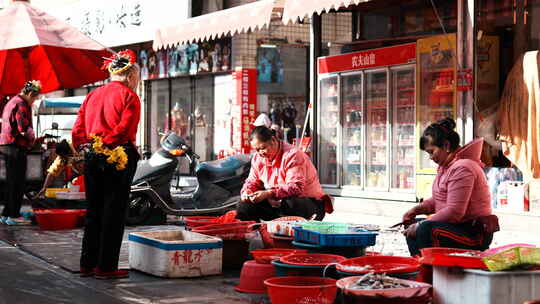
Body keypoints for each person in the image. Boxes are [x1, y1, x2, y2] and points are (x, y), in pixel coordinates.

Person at [72, 49, 141, 279]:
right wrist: (108, 145)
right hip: (118, 157)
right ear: (131, 75)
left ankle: (87, 264)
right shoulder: (130, 97)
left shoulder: (92, 95)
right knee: (114, 211)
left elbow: (78, 129)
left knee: (94, 210)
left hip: (92, 157)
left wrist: (89, 148)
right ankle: (106, 267)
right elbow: (125, 129)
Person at [402, 118, 498, 256]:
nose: (430, 157)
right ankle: (421, 268)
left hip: (473, 233)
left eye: (432, 151)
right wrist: (415, 210)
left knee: (424, 228)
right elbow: (438, 199)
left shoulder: (463, 167)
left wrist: (420, 225)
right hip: (457, 226)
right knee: (412, 225)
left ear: (446, 145)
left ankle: (432, 272)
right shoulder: (446, 167)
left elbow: (454, 212)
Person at [236, 126, 325, 222]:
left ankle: (289, 232)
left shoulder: (293, 155)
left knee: (291, 203)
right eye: (256, 150)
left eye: (262, 148)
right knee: (244, 205)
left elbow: (296, 187)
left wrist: (268, 193)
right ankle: (255, 233)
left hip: (309, 204)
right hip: (278, 205)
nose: (260, 153)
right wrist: (247, 191)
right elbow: (252, 180)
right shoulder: (258, 158)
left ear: (273, 140)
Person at [0, 80, 41, 225]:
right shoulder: (21, 103)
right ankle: (13, 215)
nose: (34, 101)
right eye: (34, 98)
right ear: (30, 94)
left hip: (7, 145)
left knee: (11, 181)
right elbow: (22, 127)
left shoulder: (12, 101)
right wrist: (33, 137)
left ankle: (6, 214)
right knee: (17, 182)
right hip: (15, 145)